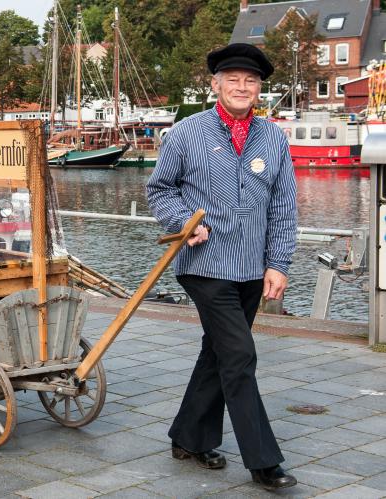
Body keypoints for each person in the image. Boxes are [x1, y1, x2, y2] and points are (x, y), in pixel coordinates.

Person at [146, 43, 297, 491]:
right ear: (215, 85)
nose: (241, 87)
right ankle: (264, 461)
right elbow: (159, 191)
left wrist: (279, 264)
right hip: (204, 265)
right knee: (240, 354)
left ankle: (188, 438)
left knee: (218, 353)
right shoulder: (187, 132)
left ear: (259, 89)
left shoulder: (274, 138)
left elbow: (284, 208)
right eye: (233, 79)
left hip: (253, 268)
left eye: (250, 81)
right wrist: (182, 222)